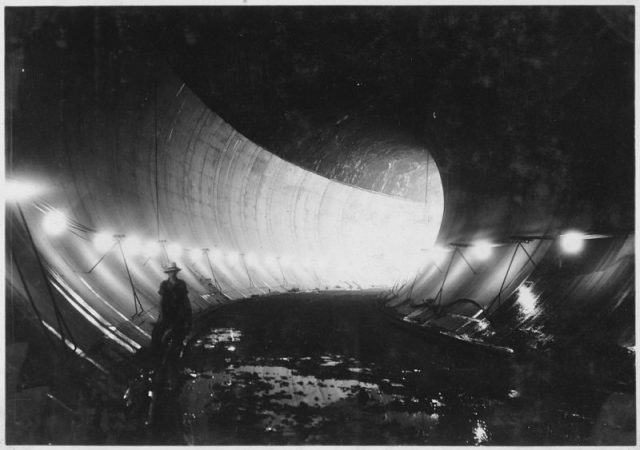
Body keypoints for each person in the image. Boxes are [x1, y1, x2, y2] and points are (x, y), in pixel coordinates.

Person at [151, 262, 192, 355]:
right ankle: (157, 351)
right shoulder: (164, 284)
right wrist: (161, 314)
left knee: (179, 332)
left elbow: (185, 298)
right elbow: (161, 300)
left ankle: (175, 351)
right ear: (168, 273)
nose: (172, 273)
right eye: (170, 272)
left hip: (178, 311)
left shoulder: (181, 283)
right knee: (157, 332)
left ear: (176, 272)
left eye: (173, 271)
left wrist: (187, 311)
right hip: (167, 311)